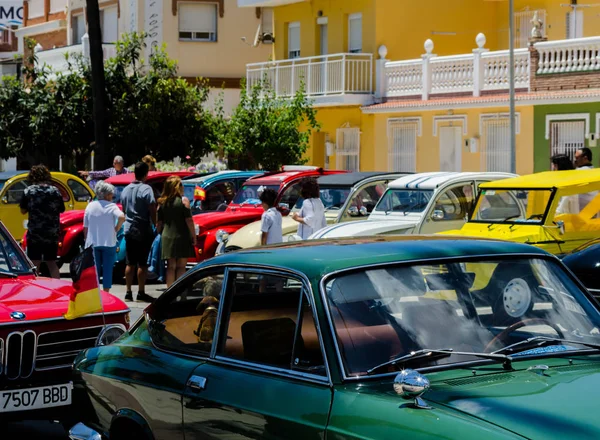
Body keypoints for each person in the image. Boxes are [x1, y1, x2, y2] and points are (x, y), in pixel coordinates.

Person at [19, 165, 65, 278]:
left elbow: (22, 210)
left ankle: (35, 290)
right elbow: (62, 209)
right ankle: (57, 287)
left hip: (35, 233)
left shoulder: (28, 191)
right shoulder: (55, 191)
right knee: (52, 263)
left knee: (35, 263)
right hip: (51, 234)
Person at [120, 162, 157, 302]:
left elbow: (123, 208)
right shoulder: (146, 189)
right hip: (142, 228)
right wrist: (155, 223)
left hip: (129, 228)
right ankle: (141, 292)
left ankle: (128, 292)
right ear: (146, 173)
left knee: (130, 262)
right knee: (142, 263)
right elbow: (152, 206)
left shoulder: (126, 189)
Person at [83, 181, 125, 292]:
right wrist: (116, 228)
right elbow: (121, 217)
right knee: (107, 269)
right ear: (106, 195)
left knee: (94, 270)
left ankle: (95, 291)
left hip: (93, 243)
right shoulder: (112, 206)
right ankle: (106, 292)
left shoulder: (90, 206)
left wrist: (85, 240)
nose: (112, 196)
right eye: (111, 194)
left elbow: (85, 227)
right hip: (108, 242)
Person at [157, 176, 196, 287]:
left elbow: (158, 223)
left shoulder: (161, 202)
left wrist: (160, 233)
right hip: (182, 235)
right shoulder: (184, 201)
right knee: (181, 266)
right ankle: (180, 293)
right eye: (181, 185)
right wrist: (194, 236)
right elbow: (189, 220)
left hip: (167, 236)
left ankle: (169, 291)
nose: (182, 187)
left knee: (170, 266)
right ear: (177, 187)